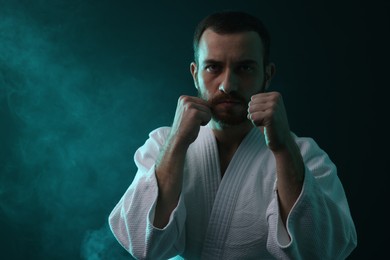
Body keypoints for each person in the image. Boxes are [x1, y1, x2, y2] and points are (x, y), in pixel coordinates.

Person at [108, 11, 357, 259]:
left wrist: (283, 150)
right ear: (195, 74)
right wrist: (177, 143)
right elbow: (143, 245)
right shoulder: (163, 143)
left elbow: (323, 252)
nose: (228, 85)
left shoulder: (303, 154)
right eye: (213, 67)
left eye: (245, 68)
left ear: (267, 75)